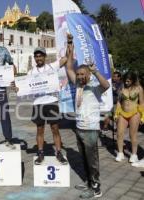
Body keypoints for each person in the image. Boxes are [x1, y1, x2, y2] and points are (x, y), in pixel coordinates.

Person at [66, 36, 110, 199]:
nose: (79, 77)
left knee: (92, 161)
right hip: (79, 128)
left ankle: (96, 188)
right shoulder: (78, 85)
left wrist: (95, 70)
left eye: (83, 74)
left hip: (91, 129)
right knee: (84, 158)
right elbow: (69, 67)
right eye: (78, 74)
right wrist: (70, 47)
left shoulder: (94, 87)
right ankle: (88, 182)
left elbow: (106, 85)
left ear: (88, 75)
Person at [27, 42, 71, 165]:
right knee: (39, 130)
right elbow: (24, 88)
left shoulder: (52, 67)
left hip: (51, 102)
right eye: (36, 56)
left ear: (45, 57)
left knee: (55, 129)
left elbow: (66, 58)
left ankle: (58, 152)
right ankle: (40, 153)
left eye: (41, 55)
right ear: (34, 58)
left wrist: (69, 43)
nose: (39, 58)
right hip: (38, 104)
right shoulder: (30, 73)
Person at [114, 71, 144, 163]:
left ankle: (134, 155)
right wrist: (116, 113)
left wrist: (143, 116)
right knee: (119, 133)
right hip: (122, 113)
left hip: (134, 113)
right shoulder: (121, 88)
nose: (126, 83)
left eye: (128, 81)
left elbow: (142, 103)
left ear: (133, 80)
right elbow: (119, 102)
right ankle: (120, 153)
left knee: (132, 134)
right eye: (125, 81)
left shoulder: (139, 88)